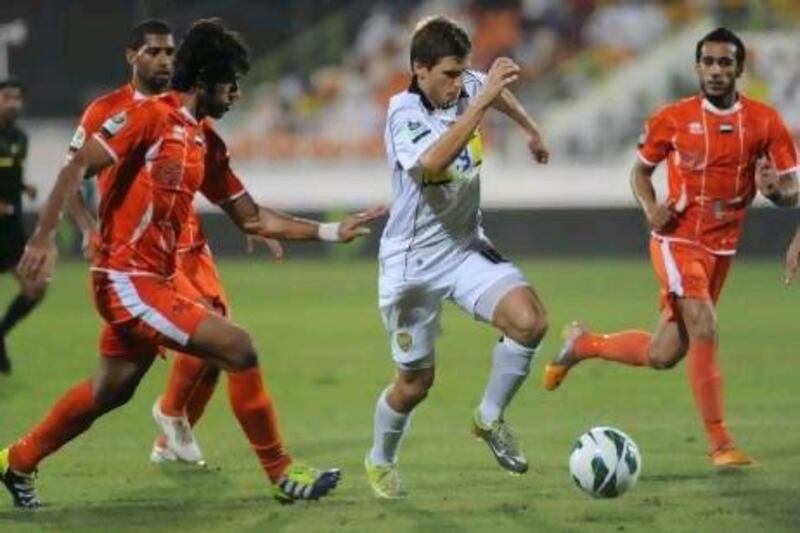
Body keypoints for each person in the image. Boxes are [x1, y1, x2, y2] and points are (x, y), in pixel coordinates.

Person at [0, 19, 382, 509]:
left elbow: (252, 217)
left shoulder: (204, 140)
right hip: (125, 279)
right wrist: (45, 237)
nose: (237, 94)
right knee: (238, 346)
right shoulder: (145, 118)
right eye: (231, 84)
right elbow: (76, 166)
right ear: (203, 80)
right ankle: (283, 472)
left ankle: (17, 460)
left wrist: (329, 230)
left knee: (109, 391)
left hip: (150, 280)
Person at [542, 28, 799, 467]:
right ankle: (721, 444)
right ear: (697, 67)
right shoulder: (673, 118)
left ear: (739, 68)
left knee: (663, 354)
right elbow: (639, 173)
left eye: (725, 62)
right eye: (709, 62)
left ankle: (584, 344)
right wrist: (649, 207)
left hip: (722, 249)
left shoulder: (765, 121)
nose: (717, 70)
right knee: (704, 323)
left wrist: (776, 192)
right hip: (678, 239)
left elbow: (791, 190)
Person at [65, 18, 280, 468]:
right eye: (154, 52)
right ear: (131, 56)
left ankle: (172, 426)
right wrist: (88, 229)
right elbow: (71, 176)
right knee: (216, 339)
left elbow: (216, 182)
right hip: (135, 251)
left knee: (213, 337)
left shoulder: (187, 118)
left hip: (185, 243)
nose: (164, 59)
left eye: (170, 52)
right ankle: (173, 418)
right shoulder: (109, 111)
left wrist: (255, 224)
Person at [364, 16, 550, 499]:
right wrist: (482, 100)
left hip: (464, 247)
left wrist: (530, 128)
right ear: (419, 69)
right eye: (447, 75)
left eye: (461, 74)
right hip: (412, 269)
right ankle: (380, 459)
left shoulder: (465, 83)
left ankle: (489, 417)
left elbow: (488, 90)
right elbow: (432, 163)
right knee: (415, 383)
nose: (457, 83)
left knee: (530, 322)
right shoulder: (401, 112)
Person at [0, 78, 44, 375]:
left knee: (36, 287)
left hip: (12, 228)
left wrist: (24, 187)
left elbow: (10, 172)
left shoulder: (20, 138)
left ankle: (1, 333)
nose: (14, 103)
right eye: (7, 98)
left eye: (17, 98)